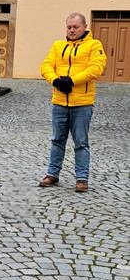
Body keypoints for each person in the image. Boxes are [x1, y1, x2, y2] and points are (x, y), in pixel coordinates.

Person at [39, 12, 107, 193]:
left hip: (82, 103)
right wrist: (55, 81)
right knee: (57, 140)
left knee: (81, 142)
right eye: (69, 27)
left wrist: (71, 80)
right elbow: (46, 65)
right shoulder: (58, 45)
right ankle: (52, 173)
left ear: (85, 27)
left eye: (75, 27)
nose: (72, 30)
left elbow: (96, 68)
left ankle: (82, 178)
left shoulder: (94, 45)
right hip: (59, 101)